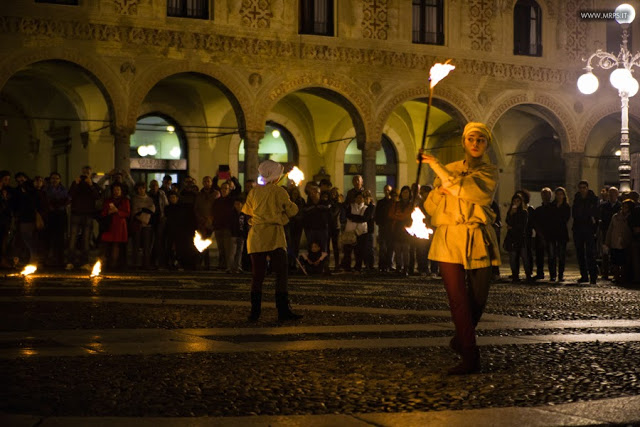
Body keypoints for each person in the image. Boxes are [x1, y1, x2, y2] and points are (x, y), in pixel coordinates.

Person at [421, 122, 501, 375]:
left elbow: (476, 194)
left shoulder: (490, 171)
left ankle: (461, 338)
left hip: (477, 237)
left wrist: (437, 167)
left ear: (486, 144)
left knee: (477, 299)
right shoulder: (451, 169)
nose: (475, 144)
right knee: (458, 300)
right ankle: (470, 355)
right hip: (448, 238)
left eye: (481, 140)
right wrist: (439, 192)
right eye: (471, 139)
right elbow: (431, 208)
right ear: (463, 142)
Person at [242, 159, 302, 322]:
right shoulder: (279, 191)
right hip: (274, 235)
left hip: (256, 237)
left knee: (257, 276)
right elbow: (292, 211)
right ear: (276, 176)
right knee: (281, 273)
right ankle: (283, 310)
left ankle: (255, 312)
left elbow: (248, 212)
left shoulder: (253, 192)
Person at [68, 168, 101, 269]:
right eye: (84, 172)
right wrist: (76, 184)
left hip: (88, 214)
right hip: (76, 214)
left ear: (91, 174)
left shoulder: (94, 185)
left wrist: (91, 185)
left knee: (86, 239)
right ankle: (71, 261)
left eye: (88, 172)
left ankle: (84, 262)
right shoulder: (76, 183)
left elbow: (97, 196)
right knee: (73, 238)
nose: (86, 174)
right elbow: (70, 195)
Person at [572, 180, 600, 284]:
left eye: (584, 187)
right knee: (580, 254)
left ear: (587, 188)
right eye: (581, 188)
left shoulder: (593, 199)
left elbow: (594, 213)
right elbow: (574, 213)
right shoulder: (577, 199)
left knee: (590, 253)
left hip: (589, 229)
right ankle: (584, 275)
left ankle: (593, 276)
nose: (582, 190)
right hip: (578, 229)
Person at [100, 182, 130, 270]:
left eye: (118, 190)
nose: (116, 192)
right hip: (110, 225)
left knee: (116, 245)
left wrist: (117, 211)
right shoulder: (108, 201)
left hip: (119, 225)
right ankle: (108, 264)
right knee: (108, 245)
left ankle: (114, 265)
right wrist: (108, 212)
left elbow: (127, 213)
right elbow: (103, 212)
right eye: (115, 190)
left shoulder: (125, 201)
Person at [605, 199, 634, 283]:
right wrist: (607, 241)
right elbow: (610, 229)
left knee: (624, 259)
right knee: (615, 259)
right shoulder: (615, 216)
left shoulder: (631, 217)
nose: (624, 209)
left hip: (626, 240)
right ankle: (616, 275)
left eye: (626, 207)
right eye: (623, 207)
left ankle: (624, 275)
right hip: (615, 240)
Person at [504, 193, 531, 283]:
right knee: (513, 257)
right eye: (514, 201)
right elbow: (508, 221)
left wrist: (512, 227)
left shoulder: (524, 212)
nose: (516, 203)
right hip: (512, 237)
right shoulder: (511, 211)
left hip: (520, 237)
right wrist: (511, 214)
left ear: (521, 202)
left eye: (518, 201)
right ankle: (515, 275)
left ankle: (528, 275)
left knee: (524, 257)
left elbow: (522, 225)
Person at [45, 172, 69, 268]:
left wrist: (59, 203)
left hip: (60, 214)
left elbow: (67, 200)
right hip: (50, 215)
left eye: (57, 178)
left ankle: (59, 259)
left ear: (60, 180)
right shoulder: (46, 189)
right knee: (49, 237)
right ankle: (49, 259)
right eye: (53, 178)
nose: (55, 180)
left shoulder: (64, 190)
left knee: (60, 238)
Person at [194, 176, 219, 270]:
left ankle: (207, 263)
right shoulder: (199, 195)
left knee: (207, 243)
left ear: (211, 182)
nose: (206, 183)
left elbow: (217, 208)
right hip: (201, 222)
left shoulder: (215, 194)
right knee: (201, 242)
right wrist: (200, 218)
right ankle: (201, 262)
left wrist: (211, 219)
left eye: (208, 181)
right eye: (205, 181)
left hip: (211, 222)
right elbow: (196, 208)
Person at [388, 186, 413, 276]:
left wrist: (400, 216)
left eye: (407, 192)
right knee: (397, 249)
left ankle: (406, 267)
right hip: (397, 228)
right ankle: (399, 266)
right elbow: (390, 214)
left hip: (407, 229)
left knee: (406, 249)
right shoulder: (396, 204)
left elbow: (410, 215)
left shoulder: (411, 205)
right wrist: (400, 217)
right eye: (403, 192)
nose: (405, 194)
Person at [130, 182, 156, 269]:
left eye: (142, 188)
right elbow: (135, 211)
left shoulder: (149, 199)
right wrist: (142, 211)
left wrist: (142, 210)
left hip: (147, 224)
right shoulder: (134, 199)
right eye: (139, 189)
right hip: (137, 223)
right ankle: (135, 263)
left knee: (146, 244)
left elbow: (151, 210)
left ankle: (146, 263)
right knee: (136, 244)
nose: (141, 190)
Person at [211, 181, 236, 273]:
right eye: (223, 188)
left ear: (229, 190)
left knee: (228, 249)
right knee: (221, 248)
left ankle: (229, 266)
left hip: (227, 227)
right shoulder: (217, 201)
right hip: (218, 227)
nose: (224, 190)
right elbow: (214, 213)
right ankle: (222, 265)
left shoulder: (231, 201)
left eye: (226, 188)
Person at [548, 187, 571, 282]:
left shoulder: (566, 206)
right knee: (552, 255)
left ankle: (560, 274)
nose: (559, 196)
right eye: (557, 194)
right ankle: (552, 275)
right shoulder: (551, 206)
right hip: (552, 233)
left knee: (561, 255)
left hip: (561, 233)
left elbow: (565, 218)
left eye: (561, 194)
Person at [599, 187, 621, 280]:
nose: (612, 196)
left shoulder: (620, 206)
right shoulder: (603, 206)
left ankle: (616, 273)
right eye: (610, 194)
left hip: (616, 232)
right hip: (605, 231)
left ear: (617, 195)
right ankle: (605, 273)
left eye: (614, 194)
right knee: (605, 253)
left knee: (616, 252)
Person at [533, 187, 553, 280]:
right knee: (539, 256)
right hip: (540, 235)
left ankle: (552, 274)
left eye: (547, 194)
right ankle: (540, 273)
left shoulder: (553, 209)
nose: (545, 196)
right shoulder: (538, 210)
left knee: (551, 256)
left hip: (551, 235)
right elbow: (535, 223)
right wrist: (539, 233)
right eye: (544, 194)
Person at [375, 184, 394, 272]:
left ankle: (389, 264)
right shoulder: (380, 203)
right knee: (382, 248)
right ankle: (382, 265)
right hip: (383, 227)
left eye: (389, 190)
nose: (387, 192)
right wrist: (380, 223)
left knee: (390, 247)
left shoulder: (394, 203)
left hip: (391, 228)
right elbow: (377, 215)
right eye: (386, 190)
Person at [230, 198, 249, 273]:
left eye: (238, 204)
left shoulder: (244, 214)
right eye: (235, 204)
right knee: (232, 252)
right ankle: (231, 267)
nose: (237, 206)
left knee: (239, 252)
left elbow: (246, 224)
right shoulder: (232, 213)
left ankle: (238, 267)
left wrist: (245, 234)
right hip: (234, 234)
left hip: (241, 235)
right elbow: (230, 224)